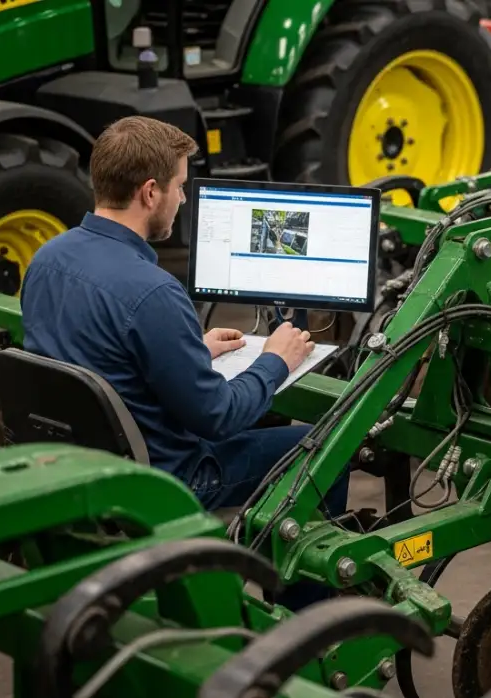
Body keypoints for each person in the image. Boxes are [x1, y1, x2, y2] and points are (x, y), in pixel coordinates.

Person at [20, 115, 348, 521]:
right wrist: (276, 360)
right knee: (328, 446)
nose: (184, 199)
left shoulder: (46, 260)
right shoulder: (153, 292)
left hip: (79, 466)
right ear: (151, 193)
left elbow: (104, 357)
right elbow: (219, 417)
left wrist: (191, 350)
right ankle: (292, 579)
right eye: (179, 187)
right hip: (165, 480)